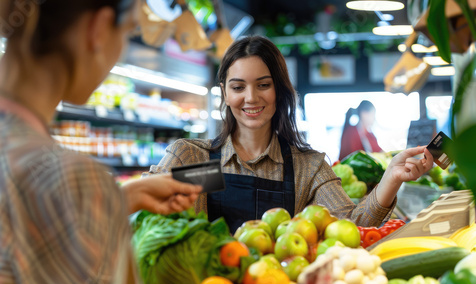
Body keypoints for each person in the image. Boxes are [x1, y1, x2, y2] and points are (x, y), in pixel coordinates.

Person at [0, 1, 202, 284]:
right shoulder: (75, 180)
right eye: (126, 33)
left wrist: (117, 197)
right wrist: (100, 201)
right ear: (98, 29)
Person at [146, 36, 433, 233]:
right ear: (224, 92)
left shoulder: (306, 167)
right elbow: (154, 221)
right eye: (237, 87)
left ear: (279, 90)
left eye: (263, 85)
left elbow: (352, 226)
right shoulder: (196, 158)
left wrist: (391, 178)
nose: (250, 98)